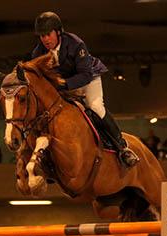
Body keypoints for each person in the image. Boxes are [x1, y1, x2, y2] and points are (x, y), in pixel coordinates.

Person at [31, 11, 139, 168]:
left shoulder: (75, 44)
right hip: (64, 86)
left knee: (95, 107)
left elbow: (85, 75)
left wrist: (63, 84)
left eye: (48, 34)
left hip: (88, 79)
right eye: (42, 36)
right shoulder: (38, 53)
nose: (45, 39)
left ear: (58, 31)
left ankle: (123, 148)